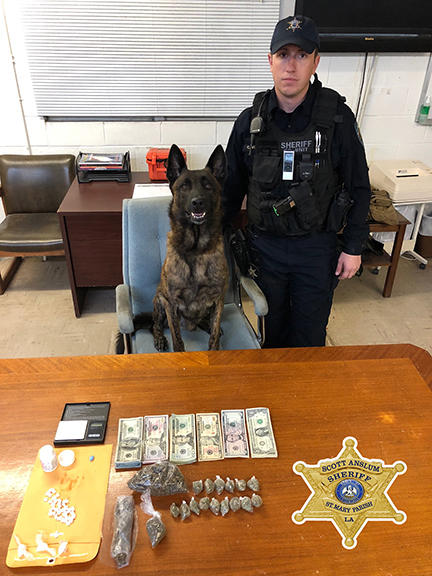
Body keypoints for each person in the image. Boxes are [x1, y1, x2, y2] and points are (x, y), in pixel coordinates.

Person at [222, 15, 371, 348]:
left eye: (301, 55)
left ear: (316, 61)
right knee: (270, 334)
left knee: (309, 334)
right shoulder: (250, 121)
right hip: (265, 249)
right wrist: (213, 242)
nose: (291, 66)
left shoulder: (338, 118)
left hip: (316, 248)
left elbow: (360, 186)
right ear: (270, 61)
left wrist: (353, 247)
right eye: (283, 54)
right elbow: (230, 190)